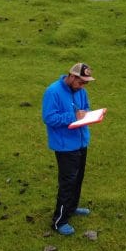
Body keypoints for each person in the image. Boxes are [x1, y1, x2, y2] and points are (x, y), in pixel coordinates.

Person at [42, 62, 96, 236]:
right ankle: (59, 221)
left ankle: (71, 208)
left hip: (81, 142)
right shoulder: (53, 92)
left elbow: (85, 108)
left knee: (78, 178)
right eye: (81, 82)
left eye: (85, 83)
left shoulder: (81, 91)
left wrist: (89, 115)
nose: (83, 87)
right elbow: (49, 118)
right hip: (65, 146)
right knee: (67, 182)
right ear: (72, 77)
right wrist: (72, 116)